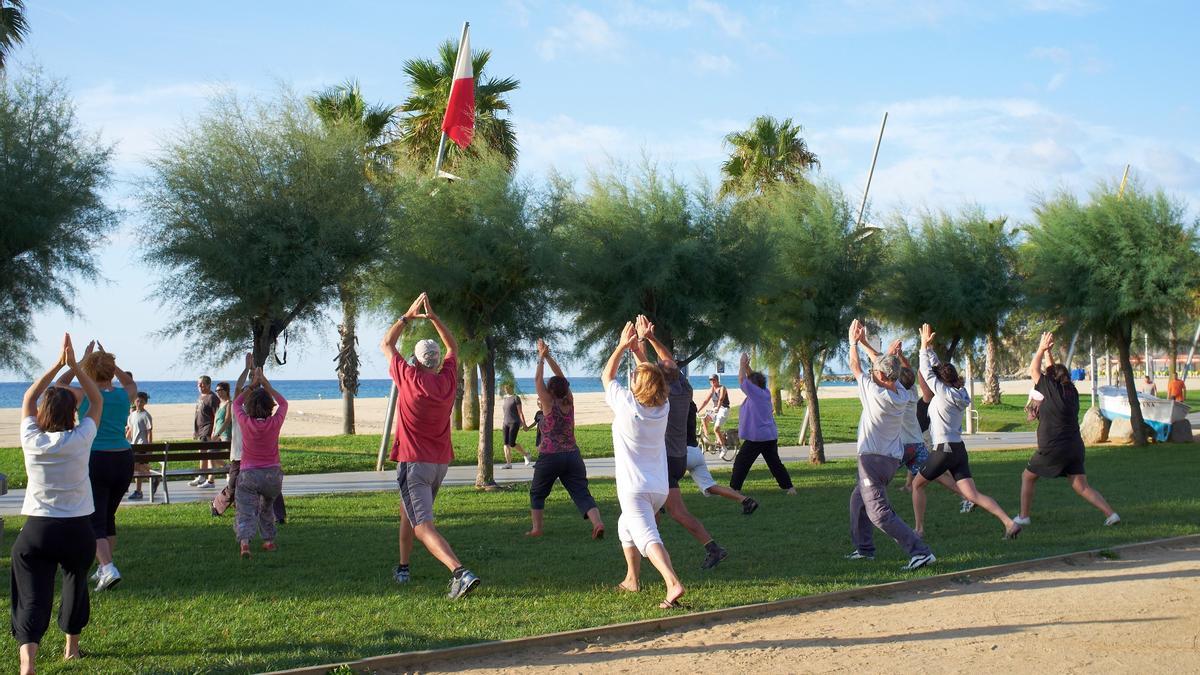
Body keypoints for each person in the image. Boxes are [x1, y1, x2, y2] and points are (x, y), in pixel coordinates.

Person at [382, 292, 480, 600]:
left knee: (422, 525)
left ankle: (460, 573)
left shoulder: (409, 378)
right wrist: (435, 318)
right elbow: (452, 347)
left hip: (414, 463)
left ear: (415, 360)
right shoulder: (448, 379)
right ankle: (403, 566)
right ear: (436, 362)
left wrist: (408, 316)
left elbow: (386, 344)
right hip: (438, 465)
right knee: (407, 513)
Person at [12, 334, 101, 672]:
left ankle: (28, 661)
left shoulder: (31, 438)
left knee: (32, 595)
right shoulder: (81, 438)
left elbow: (28, 397)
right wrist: (76, 366)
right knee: (75, 583)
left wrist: (58, 365)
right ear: (73, 412)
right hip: (77, 528)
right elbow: (96, 401)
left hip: (37, 529)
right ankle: (71, 650)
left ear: (42, 414)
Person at [634, 316, 729, 570]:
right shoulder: (684, 388)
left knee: (663, 510)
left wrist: (637, 345)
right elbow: (667, 364)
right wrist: (651, 338)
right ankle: (653, 548)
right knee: (657, 509)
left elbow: (645, 370)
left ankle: (651, 551)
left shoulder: (662, 398)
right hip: (677, 458)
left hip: (665, 461)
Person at [911, 325, 1021, 540]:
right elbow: (936, 369)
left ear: (941, 381)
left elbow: (926, 371)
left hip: (944, 449)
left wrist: (923, 347)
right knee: (972, 495)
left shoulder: (942, 392)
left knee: (916, 485)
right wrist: (931, 350)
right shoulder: (959, 392)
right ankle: (1009, 523)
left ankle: (919, 530)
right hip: (959, 449)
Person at [603, 318, 685, 609]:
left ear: (637, 385)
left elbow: (607, 377)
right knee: (626, 526)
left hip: (635, 489)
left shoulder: (628, 405)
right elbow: (651, 376)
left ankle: (672, 582)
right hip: (658, 487)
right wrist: (642, 344)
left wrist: (622, 346)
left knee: (647, 535)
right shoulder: (662, 406)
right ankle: (632, 579)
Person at [845, 319, 935, 571]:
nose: (872, 373)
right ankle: (865, 550)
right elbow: (880, 366)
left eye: (876, 372)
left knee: (879, 513)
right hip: (889, 461)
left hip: (872, 461)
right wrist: (866, 344)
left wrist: (853, 342)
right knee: (858, 501)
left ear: (883, 376)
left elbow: (855, 367)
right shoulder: (901, 393)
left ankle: (920, 552)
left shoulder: (876, 394)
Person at [54, 341, 137, 592]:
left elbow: (60, 385)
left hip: (96, 458)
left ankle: (108, 568)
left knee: (94, 519)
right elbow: (130, 384)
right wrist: (111, 365)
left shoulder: (86, 395)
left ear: (90, 372)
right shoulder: (124, 395)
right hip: (123, 459)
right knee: (108, 515)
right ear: (111, 372)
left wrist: (78, 363)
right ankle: (104, 567)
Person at [1016, 332, 1120, 528]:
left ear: (1050, 379)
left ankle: (1023, 516)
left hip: (1053, 447)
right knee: (1080, 485)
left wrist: (1040, 348)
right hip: (1075, 447)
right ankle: (1111, 514)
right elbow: (1051, 371)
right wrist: (1048, 352)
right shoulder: (1071, 391)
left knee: (1028, 476)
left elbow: (1033, 369)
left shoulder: (1048, 387)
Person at [525, 339, 605, 538]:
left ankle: (537, 529)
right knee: (581, 492)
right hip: (572, 455)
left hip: (550, 456)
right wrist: (549, 356)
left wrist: (541, 359)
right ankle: (598, 523)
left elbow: (537, 381)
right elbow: (562, 378)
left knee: (537, 493)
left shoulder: (548, 403)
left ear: (550, 390)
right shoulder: (569, 400)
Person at [212, 355, 287, 523]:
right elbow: (239, 388)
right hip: (239, 457)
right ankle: (217, 507)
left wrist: (256, 379)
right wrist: (249, 371)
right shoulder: (238, 412)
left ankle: (279, 516)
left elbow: (264, 397)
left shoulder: (251, 416)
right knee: (232, 486)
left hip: (252, 460)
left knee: (272, 490)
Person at [231, 368, 288, 558]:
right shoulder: (275, 422)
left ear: (250, 407)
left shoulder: (246, 422)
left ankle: (245, 544)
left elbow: (236, 404)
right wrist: (266, 384)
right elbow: (284, 403)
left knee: (246, 508)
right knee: (267, 508)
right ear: (269, 406)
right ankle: (269, 541)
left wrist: (252, 385)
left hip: (250, 475)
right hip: (273, 477)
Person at [728, 353, 796, 494]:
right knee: (775, 464)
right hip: (769, 436)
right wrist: (747, 367)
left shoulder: (756, 394)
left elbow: (742, 380)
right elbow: (753, 378)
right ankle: (790, 488)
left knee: (741, 462)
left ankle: (734, 489)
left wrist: (741, 365)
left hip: (757, 438)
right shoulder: (764, 392)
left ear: (753, 386)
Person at [685, 401, 759, 513]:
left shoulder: (675, 410)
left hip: (681, 452)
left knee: (667, 481)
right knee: (711, 486)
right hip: (696, 452)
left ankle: (659, 507)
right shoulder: (691, 407)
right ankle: (745, 500)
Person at [190, 375, 221, 488]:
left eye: (202, 384)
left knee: (207, 454)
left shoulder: (212, 398)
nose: (199, 386)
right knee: (202, 453)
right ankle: (202, 476)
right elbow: (197, 414)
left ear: (208, 384)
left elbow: (217, 416)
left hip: (208, 429)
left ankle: (207, 476)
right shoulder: (200, 397)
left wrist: (214, 432)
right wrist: (195, 430)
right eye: (198, 384)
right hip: (200, 429)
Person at [124, 392, 153, 501]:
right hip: (133, 445)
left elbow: (149, 432)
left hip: (142, 445)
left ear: (145, 402)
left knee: (136, 467)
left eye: (141, 401)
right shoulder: (132, 415)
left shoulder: (146, 416)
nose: (139, 402)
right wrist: (125, 440)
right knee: (136, 467)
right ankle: (152, 477)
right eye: (137, 400)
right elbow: (130, 430)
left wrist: (150, 447)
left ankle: (138, 491)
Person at [499, 384, 531, 469]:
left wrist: (523, 424)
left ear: (511, 388)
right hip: (505, 423)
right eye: (504, 388)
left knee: (511, 443)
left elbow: (520, 412)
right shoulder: (505, 399)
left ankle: (526, 454)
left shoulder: (516, 398)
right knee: (505, 444)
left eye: (507, 387)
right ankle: (508, 463)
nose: (505, 389)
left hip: (514, 422)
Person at [697, 374, 731, 446]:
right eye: (710, 380)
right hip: (715, 409)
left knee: (716, 428)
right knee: (704, 419)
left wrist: (718, 408)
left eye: (713, 380)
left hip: (723, 408)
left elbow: (721, 398)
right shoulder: (712, 389)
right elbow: (706, 400)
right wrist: (698, 410)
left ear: (717, 380)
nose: (712, 381)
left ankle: (722, 444)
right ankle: (707, 438)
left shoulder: (722, 388)